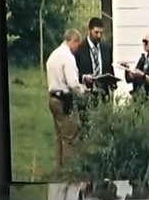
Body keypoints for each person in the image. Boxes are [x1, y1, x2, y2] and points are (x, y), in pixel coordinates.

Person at [46, 29, 86, 169]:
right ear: (73, 41)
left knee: (59, 136)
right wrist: (83, 90)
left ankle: (59, 167)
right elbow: (72, 83)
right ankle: (70, 170)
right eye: (77, 45)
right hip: (64, 101)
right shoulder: (68, 57)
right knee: (70, 138)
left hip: (53, 98)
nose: (77, 49)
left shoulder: (54, 54)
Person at [75, 17, 114, 95]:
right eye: (96, 32)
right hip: (86, 92)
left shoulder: (106, 48)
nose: (99, 36)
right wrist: (84, 77)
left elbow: (109, 68)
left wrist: (112, 82)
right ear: (89, 31)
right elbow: (74, 72)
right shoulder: (79, 49)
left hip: (103, 92)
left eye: (101, 33)